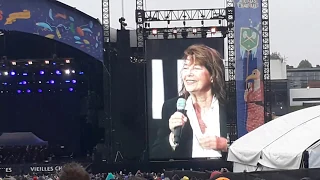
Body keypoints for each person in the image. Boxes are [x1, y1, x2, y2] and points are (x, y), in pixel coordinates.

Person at [150, 44, 228, 159]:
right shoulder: (171, 107)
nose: (188, 73)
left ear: (213, 75)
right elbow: (155, 155)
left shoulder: (229, 105)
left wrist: (226, 145)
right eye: (186, 68)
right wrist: (172, 137)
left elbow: (252, 148)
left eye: (196, 68)